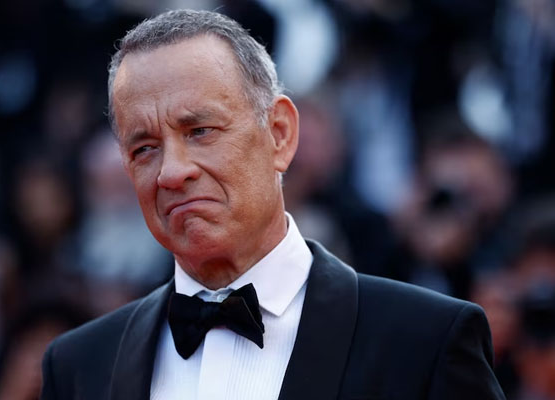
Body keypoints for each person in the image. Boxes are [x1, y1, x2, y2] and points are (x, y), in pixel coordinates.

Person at [41, 9, 505, 400]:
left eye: (200, 131)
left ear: (280, 135)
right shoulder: (78, 368)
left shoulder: (424, 342)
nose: (172, 172)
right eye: (145, 148)